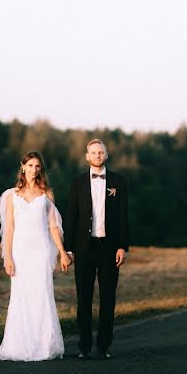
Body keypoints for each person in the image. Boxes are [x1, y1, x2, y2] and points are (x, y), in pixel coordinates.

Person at [0, 151, 71, 361]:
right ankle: (20, 344)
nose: (34, 170)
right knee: (21, 296)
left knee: (41, 294)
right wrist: (9, 257)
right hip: (21, 252)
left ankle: (44, 344)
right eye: (30, 165)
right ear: (23, 167)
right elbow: (10, 228)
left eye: (37, 166)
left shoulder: (46, 193)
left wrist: (62, 252)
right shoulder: (11, 195)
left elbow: (53, 226)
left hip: (41, 251)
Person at [63, 138, 129, 359]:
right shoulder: (78, 182)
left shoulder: (119, 182)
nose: (97, 155)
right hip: (84, 249)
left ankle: (104, 346)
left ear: (106, 155)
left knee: (108, 298)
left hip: (110, 249)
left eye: (101, 152)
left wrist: (122, 246)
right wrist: (69, 249)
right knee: (84, 299)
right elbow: (71, 217)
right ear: (87, 156)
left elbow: (123, 217)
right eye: (93, 152)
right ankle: (84, 346)